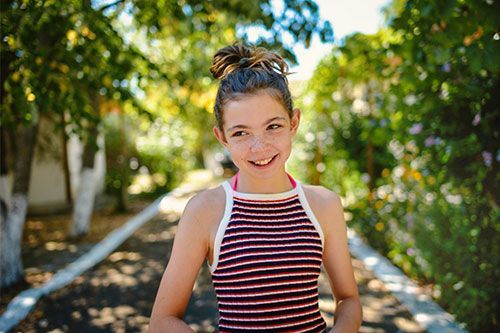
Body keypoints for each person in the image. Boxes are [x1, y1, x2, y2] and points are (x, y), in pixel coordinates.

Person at [149, 42, 362, 333]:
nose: (259, 146)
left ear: (294, 122)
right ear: (222, 137)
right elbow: (163, 321)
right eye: (240, 133)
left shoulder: (323, 205)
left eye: (273, 126)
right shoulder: (206, 211)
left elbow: (348, 300)